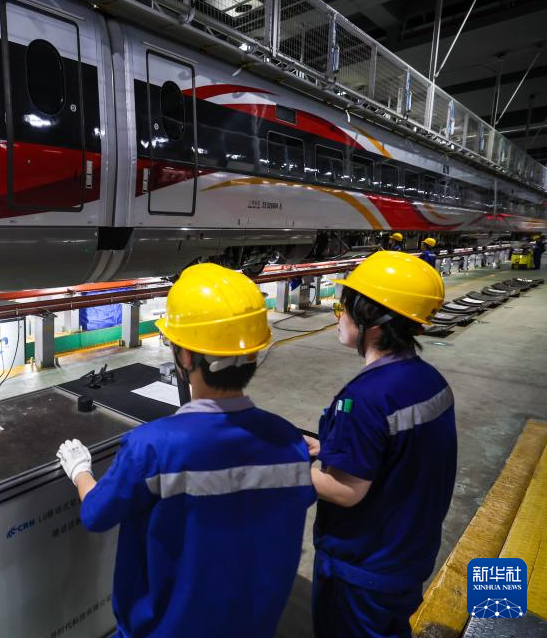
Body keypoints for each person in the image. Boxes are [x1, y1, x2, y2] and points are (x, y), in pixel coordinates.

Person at [56, 264, 316, 637]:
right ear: (253, 354)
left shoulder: (153, 447)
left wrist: (80, 470)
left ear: (186, 357)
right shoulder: (288, 441)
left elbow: (97, 514)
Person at [304, 251, 456, 638]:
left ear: (372, 320)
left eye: (343, 308)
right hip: (406, 556)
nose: (338, 317)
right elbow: (397, 452)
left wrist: (276, 463)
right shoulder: (428, 379)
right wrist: (326, 447)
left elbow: (346, 491)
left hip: (361, 571)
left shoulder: (366, 397)